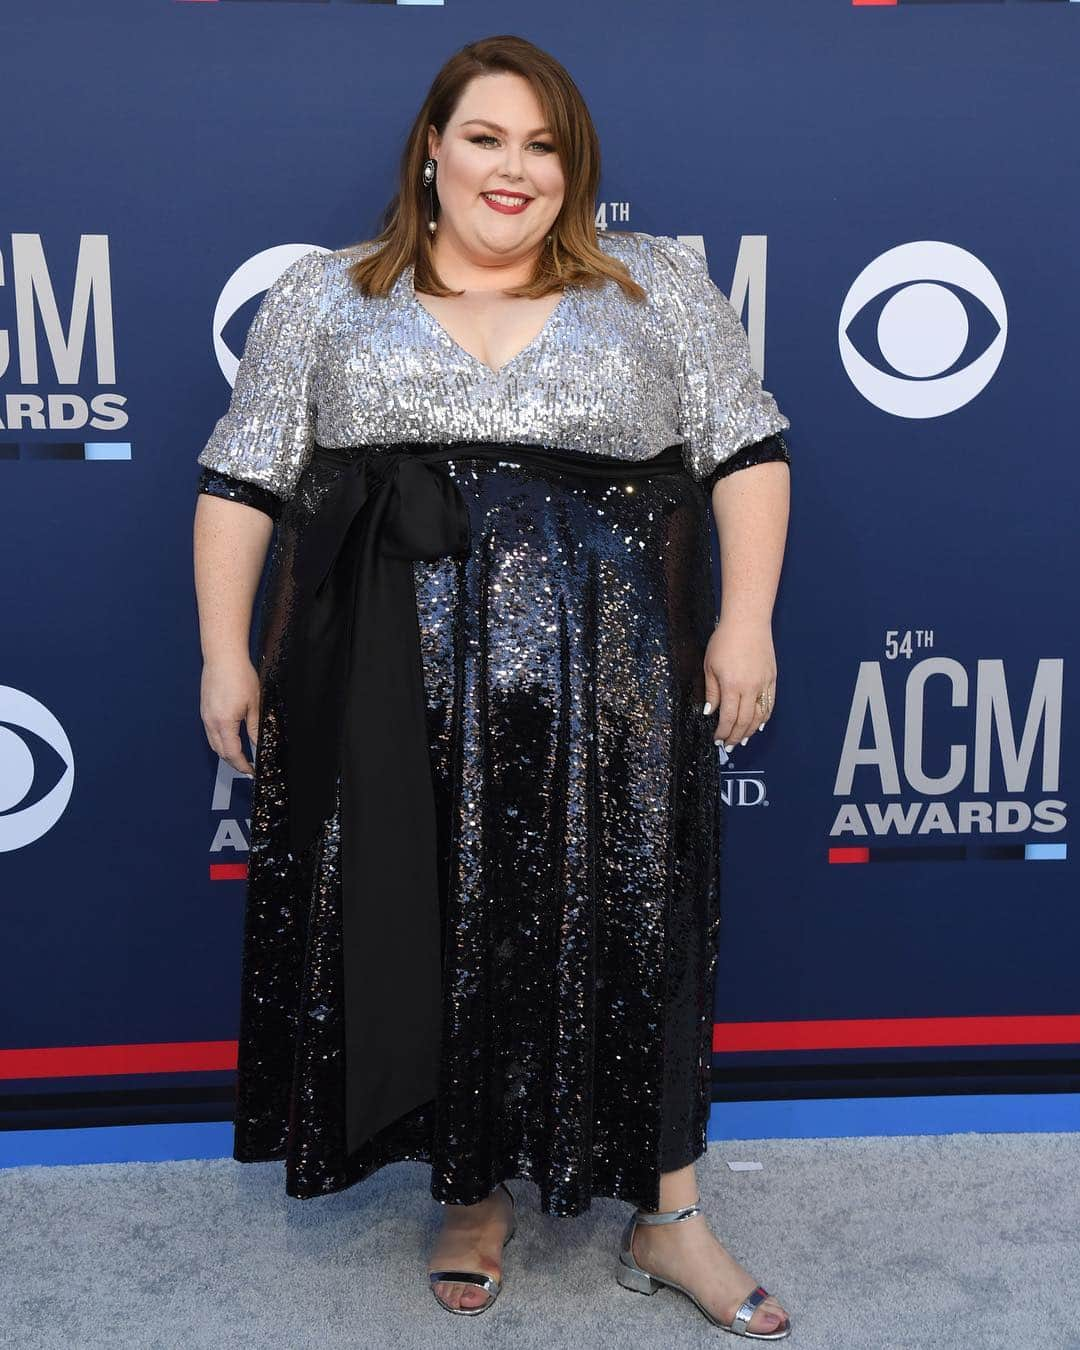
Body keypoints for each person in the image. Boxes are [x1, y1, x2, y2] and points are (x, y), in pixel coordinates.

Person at [192, 33, 793, 1341]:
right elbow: (243, 477)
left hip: (612, 685)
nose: (513, 169)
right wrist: (225, 650)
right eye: (486, 137)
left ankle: (669, 1214)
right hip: (382, 681)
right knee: (425, 922)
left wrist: (746, 620)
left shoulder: (656, 285)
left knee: (642, 921)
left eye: (543, 146)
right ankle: (468, 1192)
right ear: (431, 146)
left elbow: (747, 447)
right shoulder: (326, 296)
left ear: (572, 169)